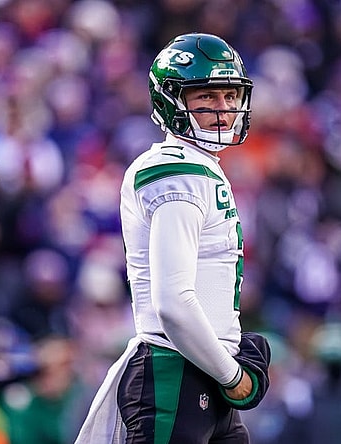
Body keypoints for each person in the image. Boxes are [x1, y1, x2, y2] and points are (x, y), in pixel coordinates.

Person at [75, 33, 270, 444]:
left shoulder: (202, 166)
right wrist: (232, 373)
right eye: (207, 97)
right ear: (172, 101)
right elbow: (174, 303)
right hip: (175, 369)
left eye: (229, 96)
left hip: (202, 371)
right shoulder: (174, 168)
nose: (223, 109)